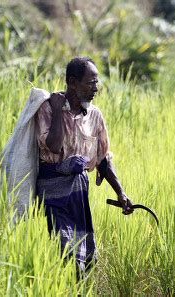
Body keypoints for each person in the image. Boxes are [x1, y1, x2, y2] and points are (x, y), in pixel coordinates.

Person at [35, 57, 134, 274]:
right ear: (73, 82)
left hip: (78, 196)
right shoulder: (49, 109)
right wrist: (60, 111)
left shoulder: (95, 116)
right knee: (66, 255)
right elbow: (52, 146)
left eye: (97, 82)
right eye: (91, 83)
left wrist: (121, 192)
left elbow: (103, 158)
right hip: (53, 195)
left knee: (81, 260)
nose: (96, 88)